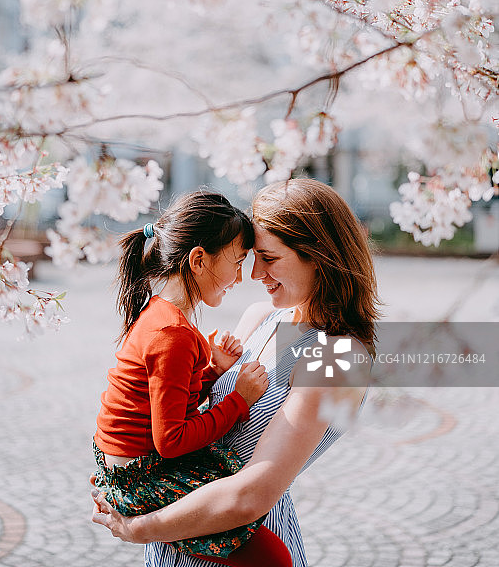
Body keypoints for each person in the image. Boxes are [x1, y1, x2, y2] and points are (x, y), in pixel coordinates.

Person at [92, 178, 380, 566]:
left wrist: (138, 526)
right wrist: (128, 470)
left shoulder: (339, 355)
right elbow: (180, 416)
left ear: (318, 256)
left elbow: (252, 494)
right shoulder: (259, 317)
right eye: (251, 256)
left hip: (242, 541)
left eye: (270, 258)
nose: (256, 273)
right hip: (176, 535)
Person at [92, 189, 293, 567]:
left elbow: (165, 399)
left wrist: (212, 372)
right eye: (237, 262)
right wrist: (240, 400)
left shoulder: (163, 315)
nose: (241, 276)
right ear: (199, 260)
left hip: (128, 467)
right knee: (273, 556)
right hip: (141, 476)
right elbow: (170, 440)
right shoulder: (173, 335)